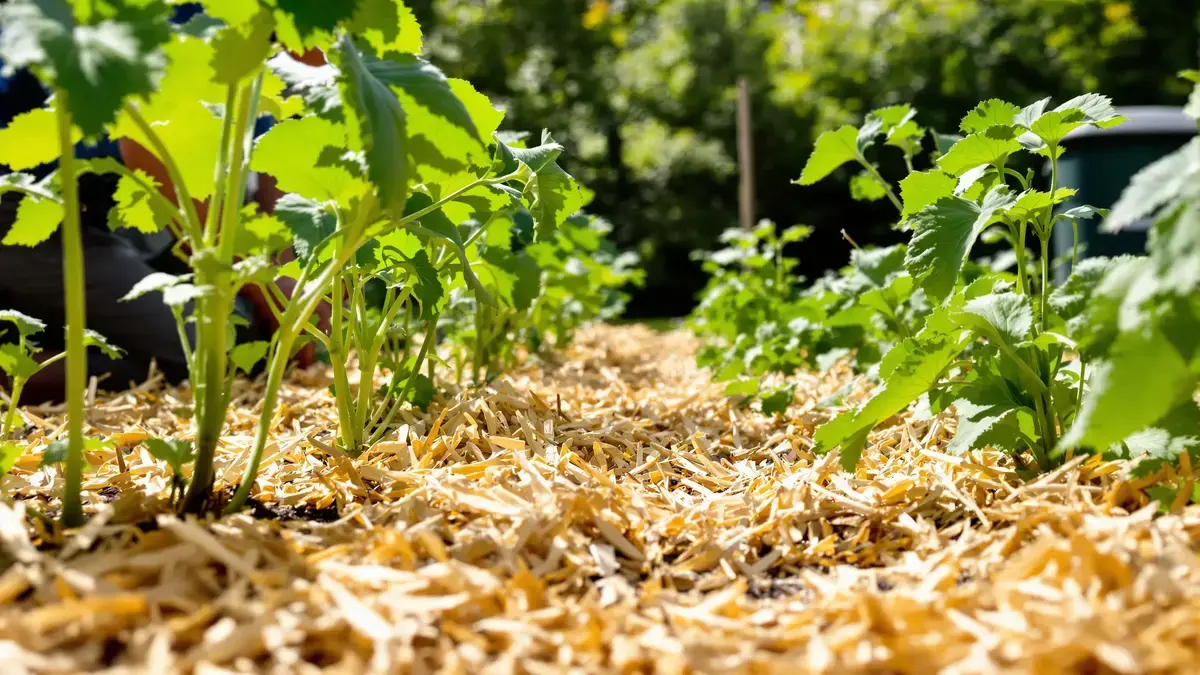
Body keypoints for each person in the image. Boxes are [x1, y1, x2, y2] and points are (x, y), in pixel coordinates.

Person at [0, 4, 329, 406]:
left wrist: (292, 277)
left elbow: (277, 155)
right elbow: (149, 149)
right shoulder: (198, 18)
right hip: (23, 206)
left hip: (90, 222)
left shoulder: (267, 49)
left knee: (246, 338)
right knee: (210, 353)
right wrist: (266, 287)